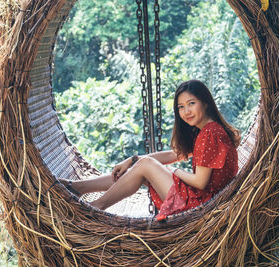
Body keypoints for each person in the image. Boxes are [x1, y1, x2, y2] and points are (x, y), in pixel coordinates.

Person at [59, 80, 240, 220]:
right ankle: (78, 188)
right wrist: (131, 160)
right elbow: (173, 155)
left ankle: (96, 206)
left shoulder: (210, 133)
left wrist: (172, 170)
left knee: (146, 165)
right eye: (181, 107)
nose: (186, 112)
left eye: (191, 103)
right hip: (204, 199)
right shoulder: (207, 130)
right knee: (144, 167)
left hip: (203, 204)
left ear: (206, 103)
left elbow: (200, 182)